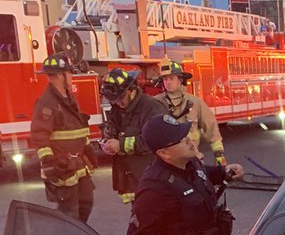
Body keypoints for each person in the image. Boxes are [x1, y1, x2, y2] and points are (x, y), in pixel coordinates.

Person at [30, 54, 96, 222]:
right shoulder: (46, 102)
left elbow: (77, 127)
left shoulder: (68, 98)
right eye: (70, 73)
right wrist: (48, 163)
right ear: (61, 75)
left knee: (86, 203)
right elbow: (39, 135)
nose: (72, 77)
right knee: (69, 214)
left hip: (78, 164)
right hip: (62, 166)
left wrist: (87, 150)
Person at [100, 68, 167, 204]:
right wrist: (107, 141)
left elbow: (154, 141)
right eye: (114, 101)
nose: (118, 103)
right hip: (131, 179)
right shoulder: (118, 108)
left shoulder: (151, 107)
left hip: (151, 179)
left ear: (130, 90)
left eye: (120, 98)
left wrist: (120, 145)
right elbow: (114, 129)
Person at [155, 60, 226, 165]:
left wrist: (219, 156)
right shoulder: (155, 103)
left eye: (171, 78)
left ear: (180, 80)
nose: (168, 82)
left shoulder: (195, 102)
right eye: (165, 79)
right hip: (167, 161)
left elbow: (211, 129)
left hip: (192, 159)